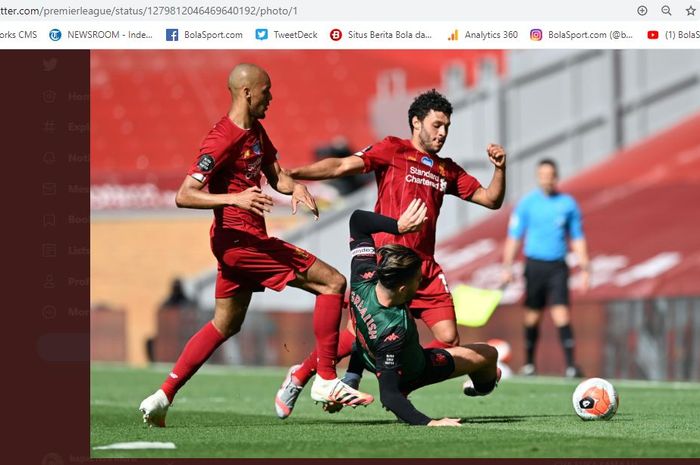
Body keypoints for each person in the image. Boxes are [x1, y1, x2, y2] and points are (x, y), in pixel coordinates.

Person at [139, 63, 374, 427]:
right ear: (248, 92)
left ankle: (162, 396)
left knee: (224, 325)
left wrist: (294, 187)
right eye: (267, 90)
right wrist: (233, 200)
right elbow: (184, 195)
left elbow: (277, 176)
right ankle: (325, 379)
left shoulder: (256, 132)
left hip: (241, 241)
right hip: (240, 241)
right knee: (333, 282)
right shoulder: (221, 137)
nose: (271, 97)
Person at [274, 89, 506, 418]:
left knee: (449, 337)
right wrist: (291, 174)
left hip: (424, 268)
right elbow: (341, 165)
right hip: (388, 264)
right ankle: (299, 375)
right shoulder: (393, 149)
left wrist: (499, 169)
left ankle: (397, 378)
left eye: (447, 127)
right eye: (437, 125)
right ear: (416, 122)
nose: (443, 133)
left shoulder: (446, 170)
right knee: (357, 335)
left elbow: (489, 199)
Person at [307, 199, 500, 425]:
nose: (421, 284)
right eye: (418, 280)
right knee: (489, 354)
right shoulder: (393, 330)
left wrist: (398, 226)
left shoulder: (363, 276)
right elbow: (389, 396)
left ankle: (354, 379)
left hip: (373, 357)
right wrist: (431, 422)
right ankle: (483, 388)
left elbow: (357, 219)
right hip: (418, 369)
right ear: (402, 288)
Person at [501, 159, 590, 378]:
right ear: (538, 176)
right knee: (532, 316)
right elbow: (514, 236)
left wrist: (585, 267)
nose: (546, 178)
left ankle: (571, 365)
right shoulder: (527, 204)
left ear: (556, 177)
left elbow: (577, 237)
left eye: (550, 174)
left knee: (561, 313)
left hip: (557, 266)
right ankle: (530, 364)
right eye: (542, 174)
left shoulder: (568, 204)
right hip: (534, 265)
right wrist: (507, 265)